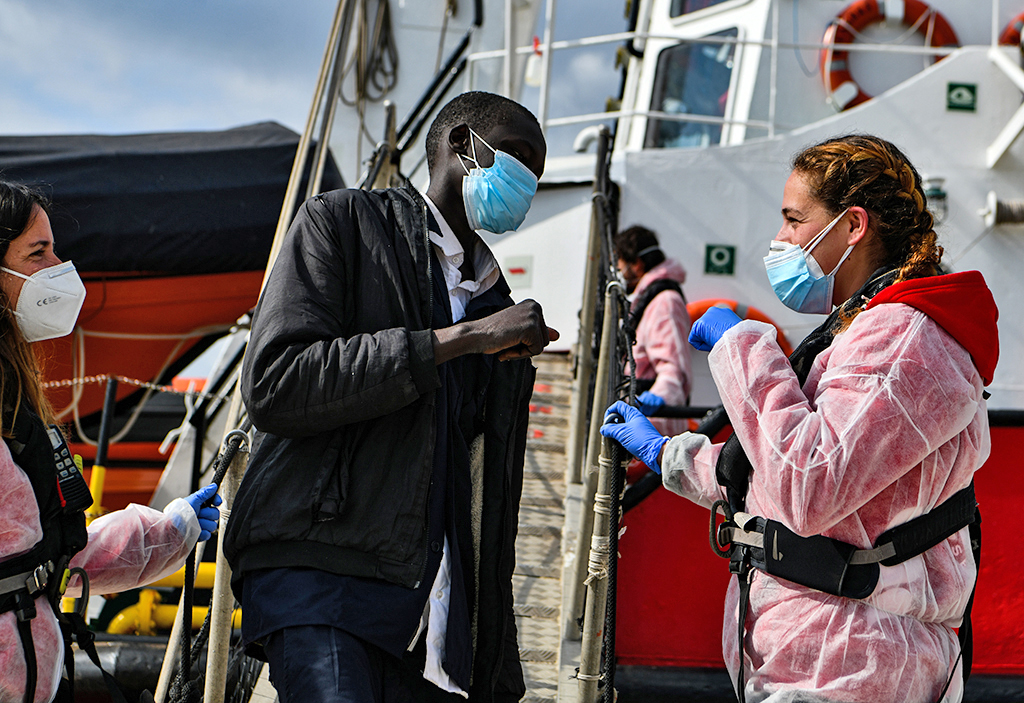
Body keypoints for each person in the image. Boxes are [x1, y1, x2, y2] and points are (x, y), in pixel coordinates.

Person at [601, 135, 998, 703]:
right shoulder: (865, 330)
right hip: (821, 663)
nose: (780, 239)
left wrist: (742, 347)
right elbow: (784, 469)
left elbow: (810, 485)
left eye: (793, 219)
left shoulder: (903, 341)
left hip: (850, 670)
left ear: (853, 226)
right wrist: (670, 454)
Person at [223, 90, 556, 703]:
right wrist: (460, 341)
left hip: (429, 612)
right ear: (461, 144)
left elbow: (476, 477)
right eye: (516, 157)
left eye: (536, 172)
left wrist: (492, 649)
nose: (527, 181)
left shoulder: (491, 294)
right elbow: (277, 381)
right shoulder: (341, 221)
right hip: (324, 573)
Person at [0, 180, 223, 703]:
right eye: (39, 252)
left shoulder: (19, 405)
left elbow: (52, 556)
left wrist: (171, 529)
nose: (58, 266)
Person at [614, 225, 692, 437]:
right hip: (640, 425)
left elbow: (674, 370)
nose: (620, 276)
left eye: (621, 269)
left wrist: (658, 398)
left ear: (637, 265)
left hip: (654, 432)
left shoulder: (664, 303)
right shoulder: (649, 301)